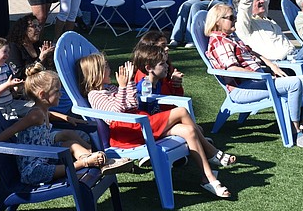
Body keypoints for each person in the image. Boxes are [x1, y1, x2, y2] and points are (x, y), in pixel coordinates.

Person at [77, 49, 235, 198]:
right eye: (105, 67)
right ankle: (212, 152)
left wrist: (130, 82)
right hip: (127, 132)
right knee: (181, 111)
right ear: (95, 73)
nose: (110, 69)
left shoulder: (111, 87)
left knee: (189, 131)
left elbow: (133, 104)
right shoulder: (94, 95)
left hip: (138, 123)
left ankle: (208, 178)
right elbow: (114, 115)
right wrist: (123, 87)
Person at [204, 3, 303, 147]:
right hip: (243, 88)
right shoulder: (220, 42)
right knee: (294, 83)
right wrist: (262, 76)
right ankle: (296, 133)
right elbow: (232, 70)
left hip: (257, 82)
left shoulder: (231, 37)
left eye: (235, 16)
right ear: (218, 21)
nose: (235, 20)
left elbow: (252, 52)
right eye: (231, 18)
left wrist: (270, 64)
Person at [0, 64, 132, 183]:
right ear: (42, 94)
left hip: (46, 157)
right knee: (64, 155)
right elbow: (13, 129)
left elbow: (51, 115)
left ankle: (96, 160)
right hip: (34, 169)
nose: (60, 94)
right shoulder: (35, 114)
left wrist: (69, 119)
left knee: (71, 144)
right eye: (57, 91)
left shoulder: (42, 111)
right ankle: (86, 162)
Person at [0, 37, 31, 119]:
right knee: (20, 121)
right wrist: (7, 85)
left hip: (11, 103)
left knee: (37, 108)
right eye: (5, 52)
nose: (7, 55)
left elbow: (13, 90)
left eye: (8, 52)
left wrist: (18, 86)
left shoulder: (5, 66)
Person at [133, 31, 185, 96]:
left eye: (166, 45)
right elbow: (161, 99)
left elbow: (177, 96)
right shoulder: (145, 76)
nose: (167, 48)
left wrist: (175, 83)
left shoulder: (164, 66)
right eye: (163, 45)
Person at [6, 14, 54, 80]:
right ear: (24, 29)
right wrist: (40, 59)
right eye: (34, 26)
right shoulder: (13, 47)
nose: (38, 30)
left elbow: (49, 68)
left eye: (38, 26)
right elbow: (18, 73)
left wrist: (49, 57)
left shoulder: (38, 45)